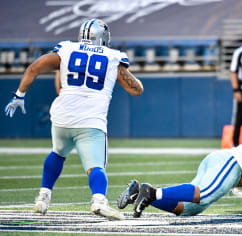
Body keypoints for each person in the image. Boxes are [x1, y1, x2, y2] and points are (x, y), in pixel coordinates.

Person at [4, 19, 144, 220]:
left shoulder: (67, 49)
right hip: (91, 120)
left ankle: (43, 197)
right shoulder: (113, 57)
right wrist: (132, 80)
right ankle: (98, 201)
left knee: (58, 153)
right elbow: (135, 89)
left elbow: (34, 67)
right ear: (102, 37)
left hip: (62, 117)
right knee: (96, 165)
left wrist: (19, 94)